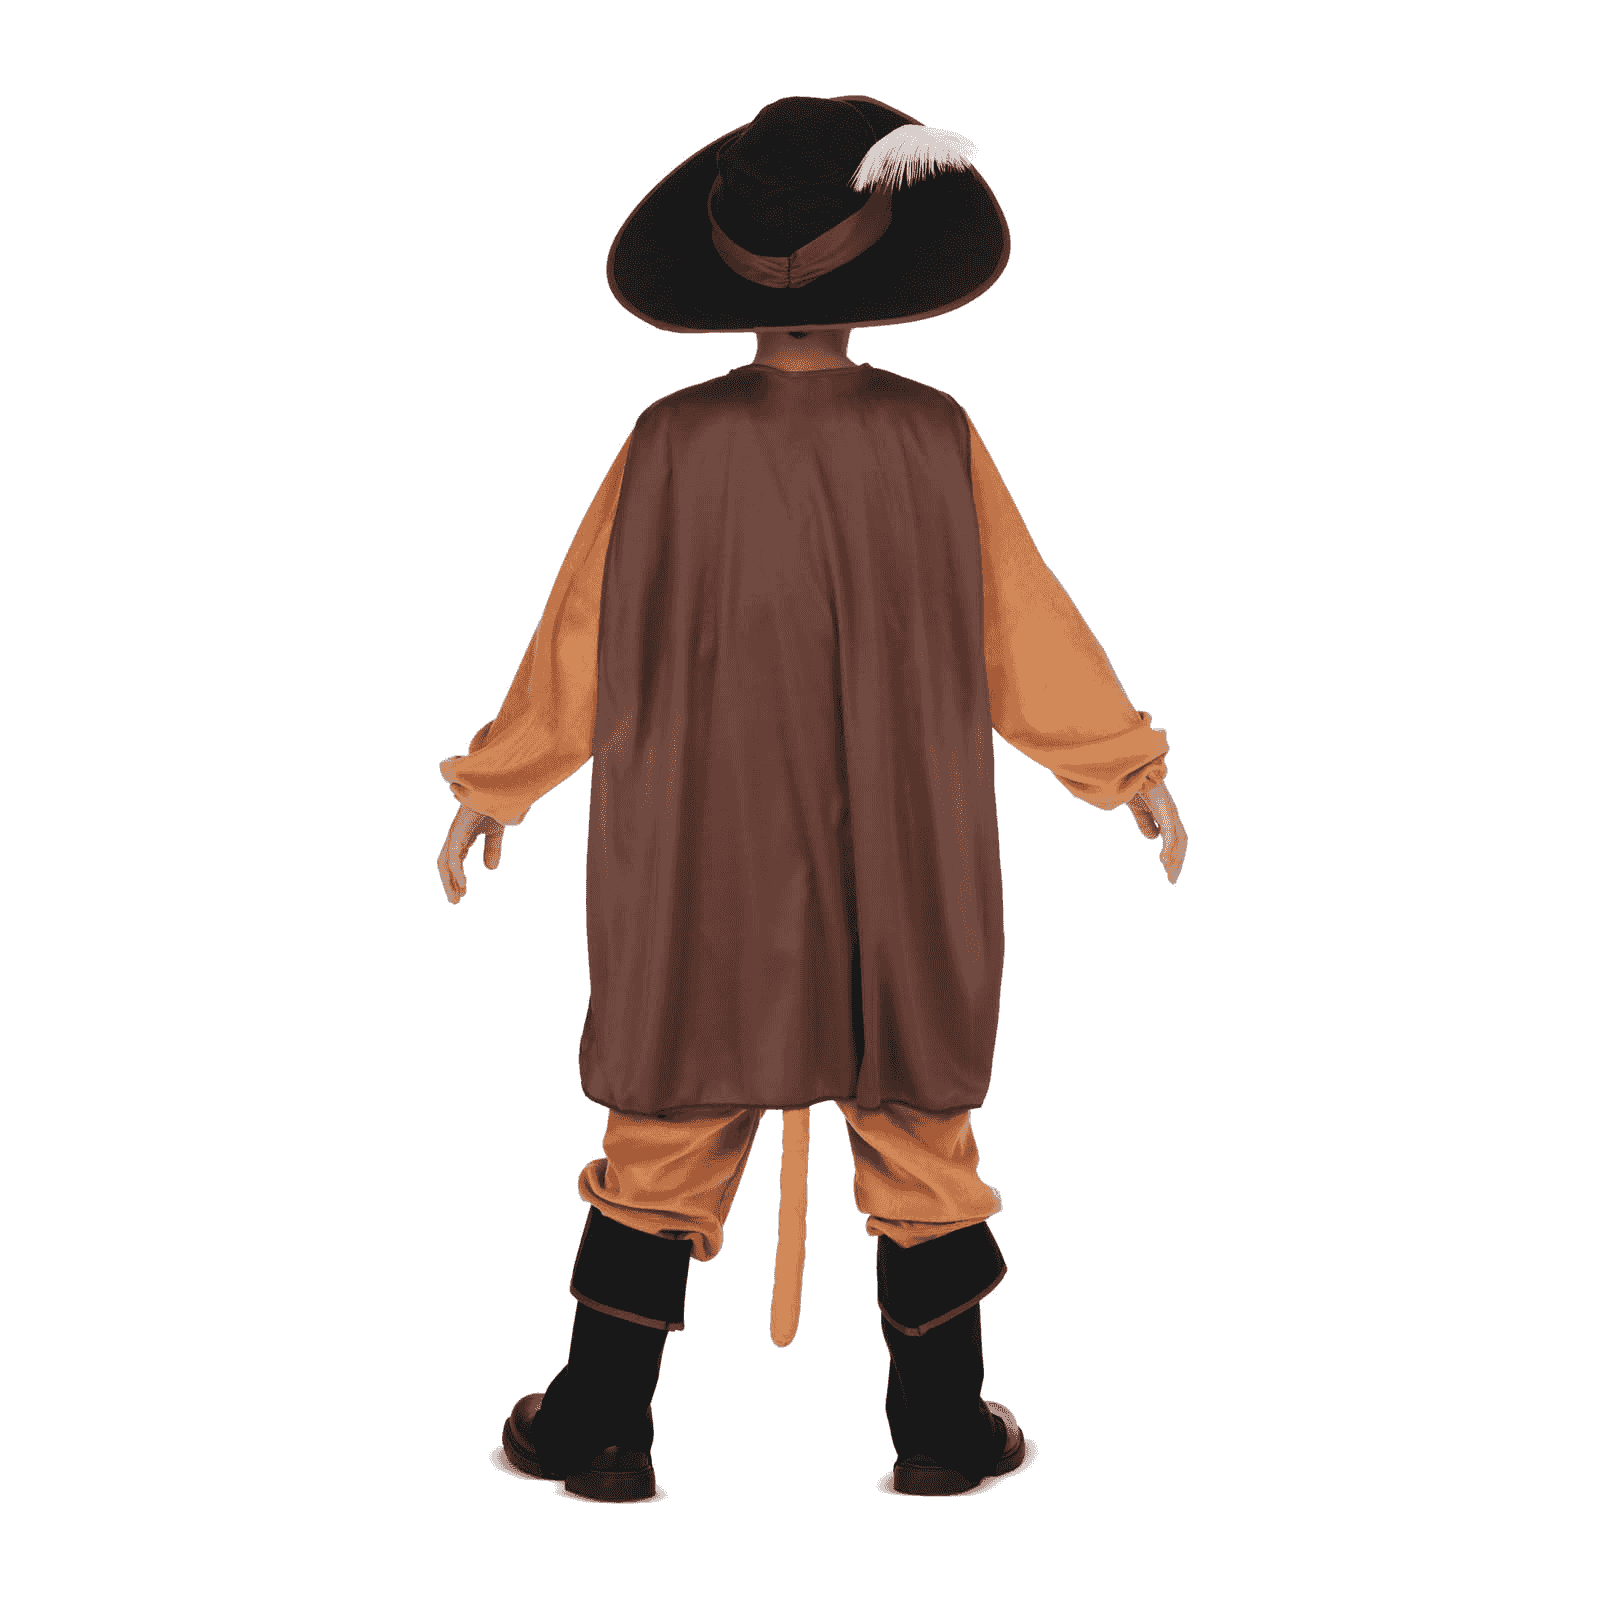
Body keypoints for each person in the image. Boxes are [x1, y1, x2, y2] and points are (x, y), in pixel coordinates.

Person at [436, 94, 1186, 1503]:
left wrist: (501, 782)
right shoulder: (930, 437)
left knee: (670, 1112)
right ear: (878, 273)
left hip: (703, 858)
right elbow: (1021, 634)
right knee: (915, 1115)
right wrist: (1122, 764)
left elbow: (580, 642)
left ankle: (603, 1419)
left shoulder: (671, 443)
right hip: (899, 853)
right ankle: (940, 1425)